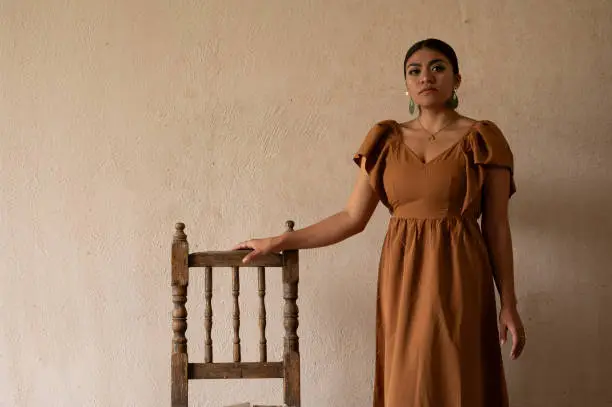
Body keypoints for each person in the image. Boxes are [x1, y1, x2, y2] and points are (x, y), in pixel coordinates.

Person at [232, 38, 526, 407]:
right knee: (406, 381)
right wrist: (279, 241)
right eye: (414, 71)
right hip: (402, 277)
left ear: (457, 79)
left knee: (459, 377)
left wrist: (508, 302)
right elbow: (351, 218)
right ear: (406, 84)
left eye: (438, 68)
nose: (426, 77)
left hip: (461, 274)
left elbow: (497, 227)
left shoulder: (483, 138)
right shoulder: (386, 140)